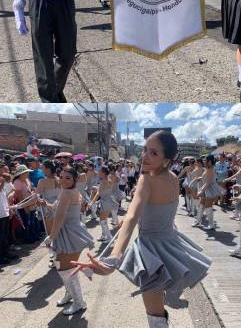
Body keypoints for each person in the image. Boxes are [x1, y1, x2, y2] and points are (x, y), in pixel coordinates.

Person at [72, 131, 212, 327]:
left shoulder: (147, 179)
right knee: (158, 310)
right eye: (145, 149)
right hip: (170, 243)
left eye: (153, 153)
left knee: (154, 317)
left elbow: (131, 217)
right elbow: (153, 210)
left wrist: (114, 257)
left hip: (151, 251)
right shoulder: (172, 178)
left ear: (166, 159)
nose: (145, 156)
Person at [41, 166, 94, 315]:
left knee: (66, 269)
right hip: (69, 232)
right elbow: (58, 209)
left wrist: (51, 236)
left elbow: (59, 217)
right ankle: (71, 294)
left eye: (68, 178)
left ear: (75, 179)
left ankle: (79, 302)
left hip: (69, 233)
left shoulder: (66, 193)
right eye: (61, 177)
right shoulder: (70, 191)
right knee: (61, 266)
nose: (63, 180)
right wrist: (46, 204)